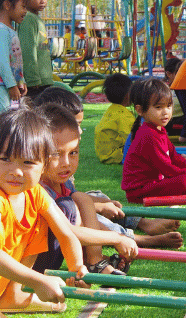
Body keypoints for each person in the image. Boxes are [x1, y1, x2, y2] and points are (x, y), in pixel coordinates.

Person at [35, 84, 183, 247]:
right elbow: (63, 206)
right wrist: (97, 207)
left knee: (98, 197)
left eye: (79, 124)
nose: (81, 131)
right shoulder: (40, 171)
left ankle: (143, 223)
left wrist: (100, 202)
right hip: (61, 218)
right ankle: (135, 238)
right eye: (74, 124)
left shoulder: (63, 162)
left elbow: (72, 193)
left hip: (67, 207)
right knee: (85, 211)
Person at [0, 106, 87, 318]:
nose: (16, 171)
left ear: (44, 164)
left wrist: (76, 268)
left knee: (40, 223)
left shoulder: (35, 194)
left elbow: (67, 234)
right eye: (5, 159)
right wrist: (38, 280)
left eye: (28, 162)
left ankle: (13, 296)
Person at [33, 103, 138, 276]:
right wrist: (116, 238)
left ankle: (94, 261)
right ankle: (90, 263)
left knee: (82, 198)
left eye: (73, 153)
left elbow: (85, 220)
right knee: (69, 205)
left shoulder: (63, 183)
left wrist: (118, 237)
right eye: (57, 154)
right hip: (33, 265)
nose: (66, 162)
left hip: (54, 255)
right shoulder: (38, 188)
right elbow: (68, 231)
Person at [122, 77, 186, 203]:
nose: (166, 112)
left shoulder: (159, 130)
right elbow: (167, 168)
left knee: (185, 175)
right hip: (139, 191)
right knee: (184, 181)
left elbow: (174, 157)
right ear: (140, 110)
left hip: (153, 183)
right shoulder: (148, 134)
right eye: (159, 107)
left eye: (169, 106)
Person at [17, 0, 53, 100]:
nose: (43, 0)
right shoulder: (27, 19)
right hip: (35, 84)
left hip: (43, 80)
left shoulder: (35, 18)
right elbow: (28, 51)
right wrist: (33, 80)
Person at [95, 73, 135, 164]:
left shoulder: (111, 110)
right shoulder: (123, 115)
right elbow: (132, 138)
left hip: (104, 154)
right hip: (116, 155)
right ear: (127, 95)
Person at [0, 0, 27, 111]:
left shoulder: (10, 30)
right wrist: (11, 85)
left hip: (7, 87)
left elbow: (15, 61)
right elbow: (2, 61)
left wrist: (21, 81)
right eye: (23, 6)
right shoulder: (2, 30)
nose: (25, 11)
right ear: (7, 5)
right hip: (2, 87)